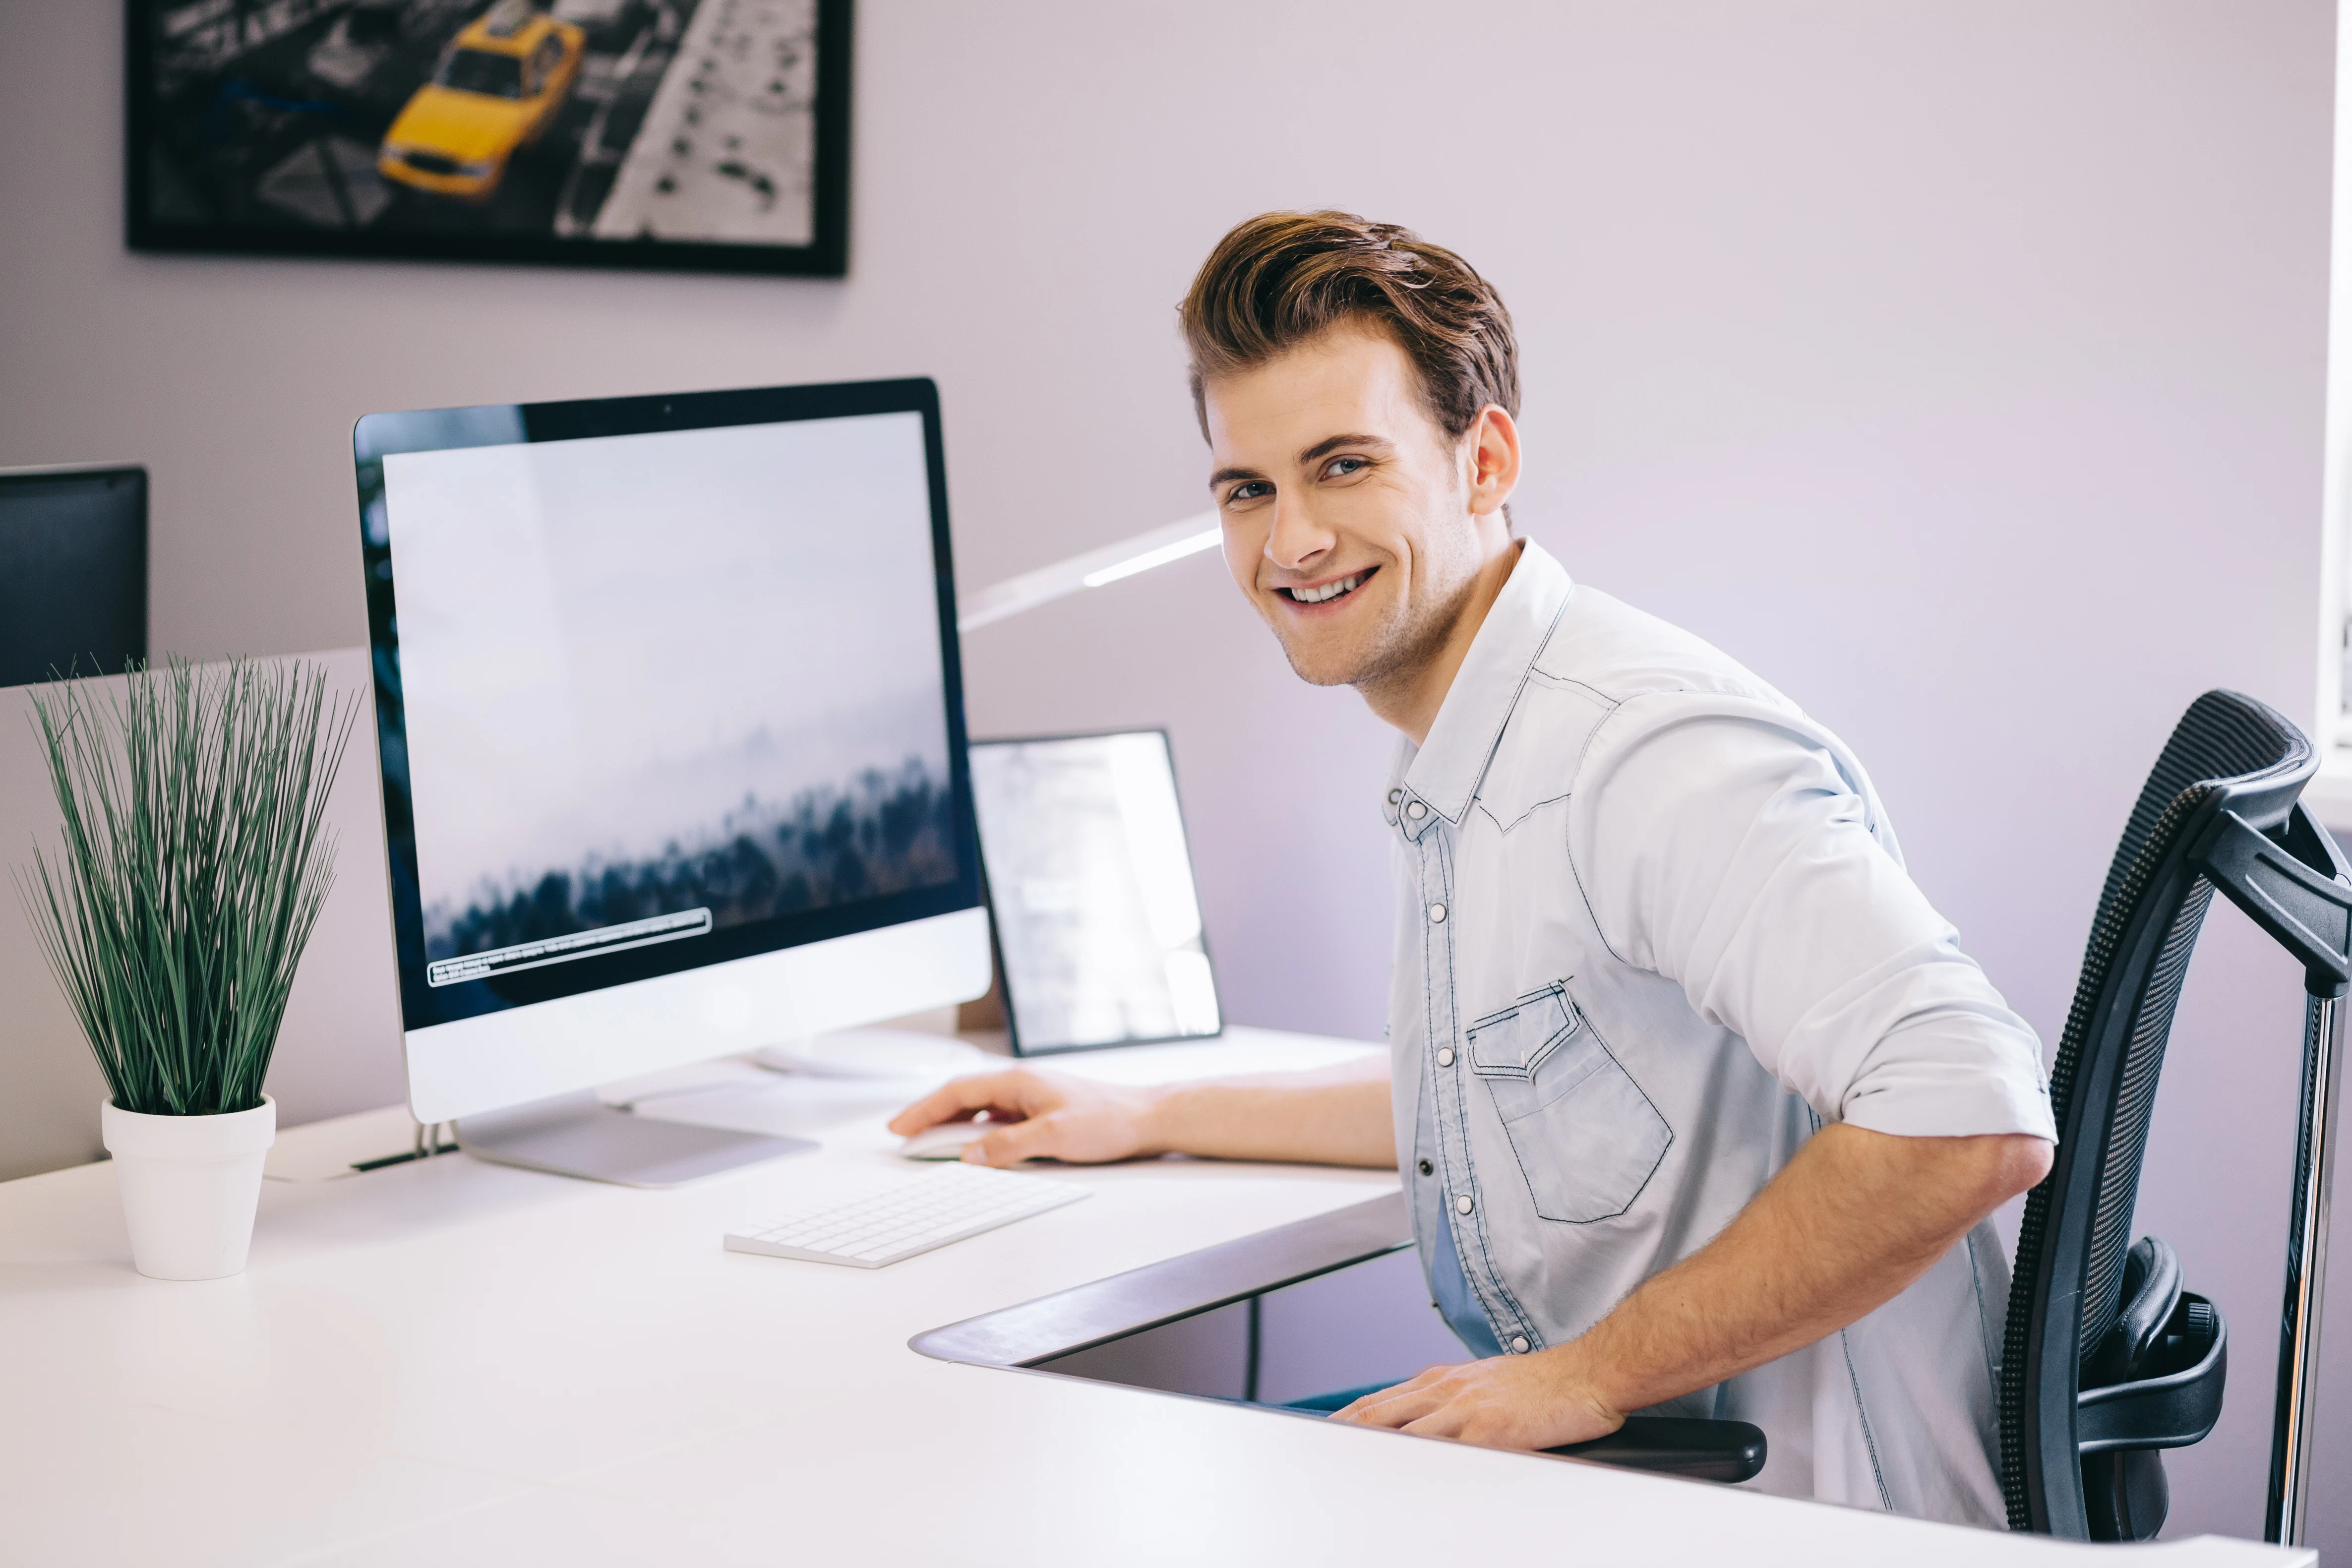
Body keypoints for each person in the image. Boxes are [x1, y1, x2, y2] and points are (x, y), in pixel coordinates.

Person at [891, 211, 2056, 1524]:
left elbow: (1968, 1112)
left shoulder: (1642, 751)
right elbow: (1498, 1099)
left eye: (1342, 466)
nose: (1289, 543)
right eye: (1247, 489)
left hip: (1791, 1510)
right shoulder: (1478, 740)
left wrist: (1587, 1375)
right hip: (1658, 1477)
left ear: (1482, 456)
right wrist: (1149, 1118)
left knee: (1043, 1503)